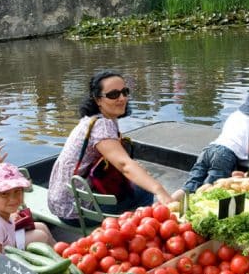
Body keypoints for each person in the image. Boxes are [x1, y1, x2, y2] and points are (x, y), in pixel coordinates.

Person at [47, 71, 174, 225]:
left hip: (61, 201)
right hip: (75, 211)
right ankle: (141, 232)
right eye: (113, 95)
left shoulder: (92, 119)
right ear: (98, 99)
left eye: (124, 92)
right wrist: (160, 190)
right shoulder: (102, 126)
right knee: (145, 190)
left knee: (138, 180)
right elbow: (124, 165)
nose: (122, 98)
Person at [180, 86, 249, 196]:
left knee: (191, 184)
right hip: (224, 156)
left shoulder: (236, 114)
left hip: (209, 149)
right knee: (211, 189)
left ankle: (169, 203)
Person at [0, 163, 54, 268]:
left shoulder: (4, 215)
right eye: (4, 194)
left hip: (7, 261)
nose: (13, 199)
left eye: (17, 191)